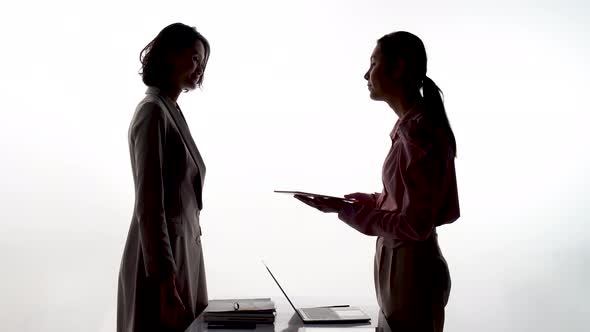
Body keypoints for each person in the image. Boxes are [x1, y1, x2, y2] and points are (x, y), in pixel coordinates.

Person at [294, 31, 460, 332]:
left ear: (397, 68)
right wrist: (367, 201)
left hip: (412, 272)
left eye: (373, 63)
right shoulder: (410, 126)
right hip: (400, 268)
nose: (366, 74)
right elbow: (407, 201)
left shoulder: (419, 134)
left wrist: (347, 212)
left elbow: (415, 225)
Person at [117, 23, 211, 332]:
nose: (200, 68)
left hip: (182, 253)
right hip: (160, 262)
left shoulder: (169, 109)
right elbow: (149, 205)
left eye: (203, 62)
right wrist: (164, 279)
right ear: (170, 54)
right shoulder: (152, 112)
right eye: (195, 58)